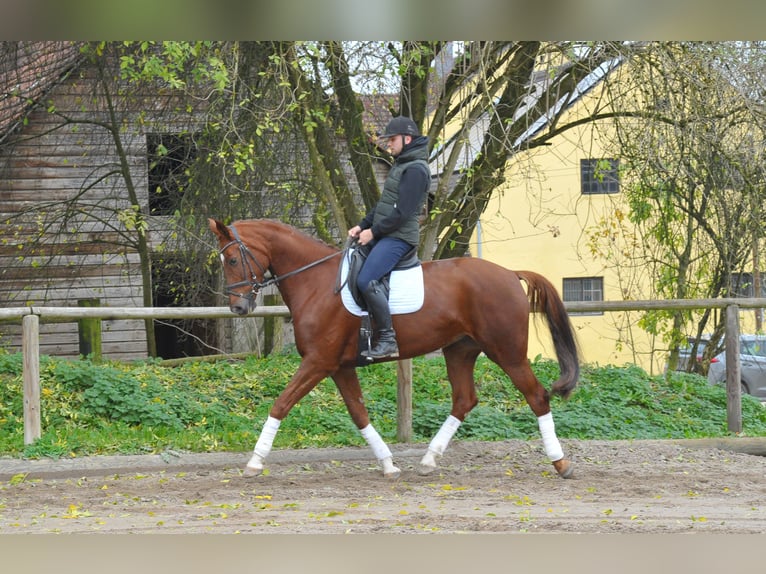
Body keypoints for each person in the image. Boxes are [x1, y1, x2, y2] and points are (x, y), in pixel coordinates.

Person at [348, 115, 431, 359]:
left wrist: (373, 232)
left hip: (400, 238)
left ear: (407, 139)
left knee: (366, 280)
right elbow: (385, 206)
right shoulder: (402, 165)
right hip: (388, 234)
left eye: (392, 140)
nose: (389, 145)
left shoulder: (416, 170)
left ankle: (387, 338)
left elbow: (403, 213)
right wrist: (361, 225)